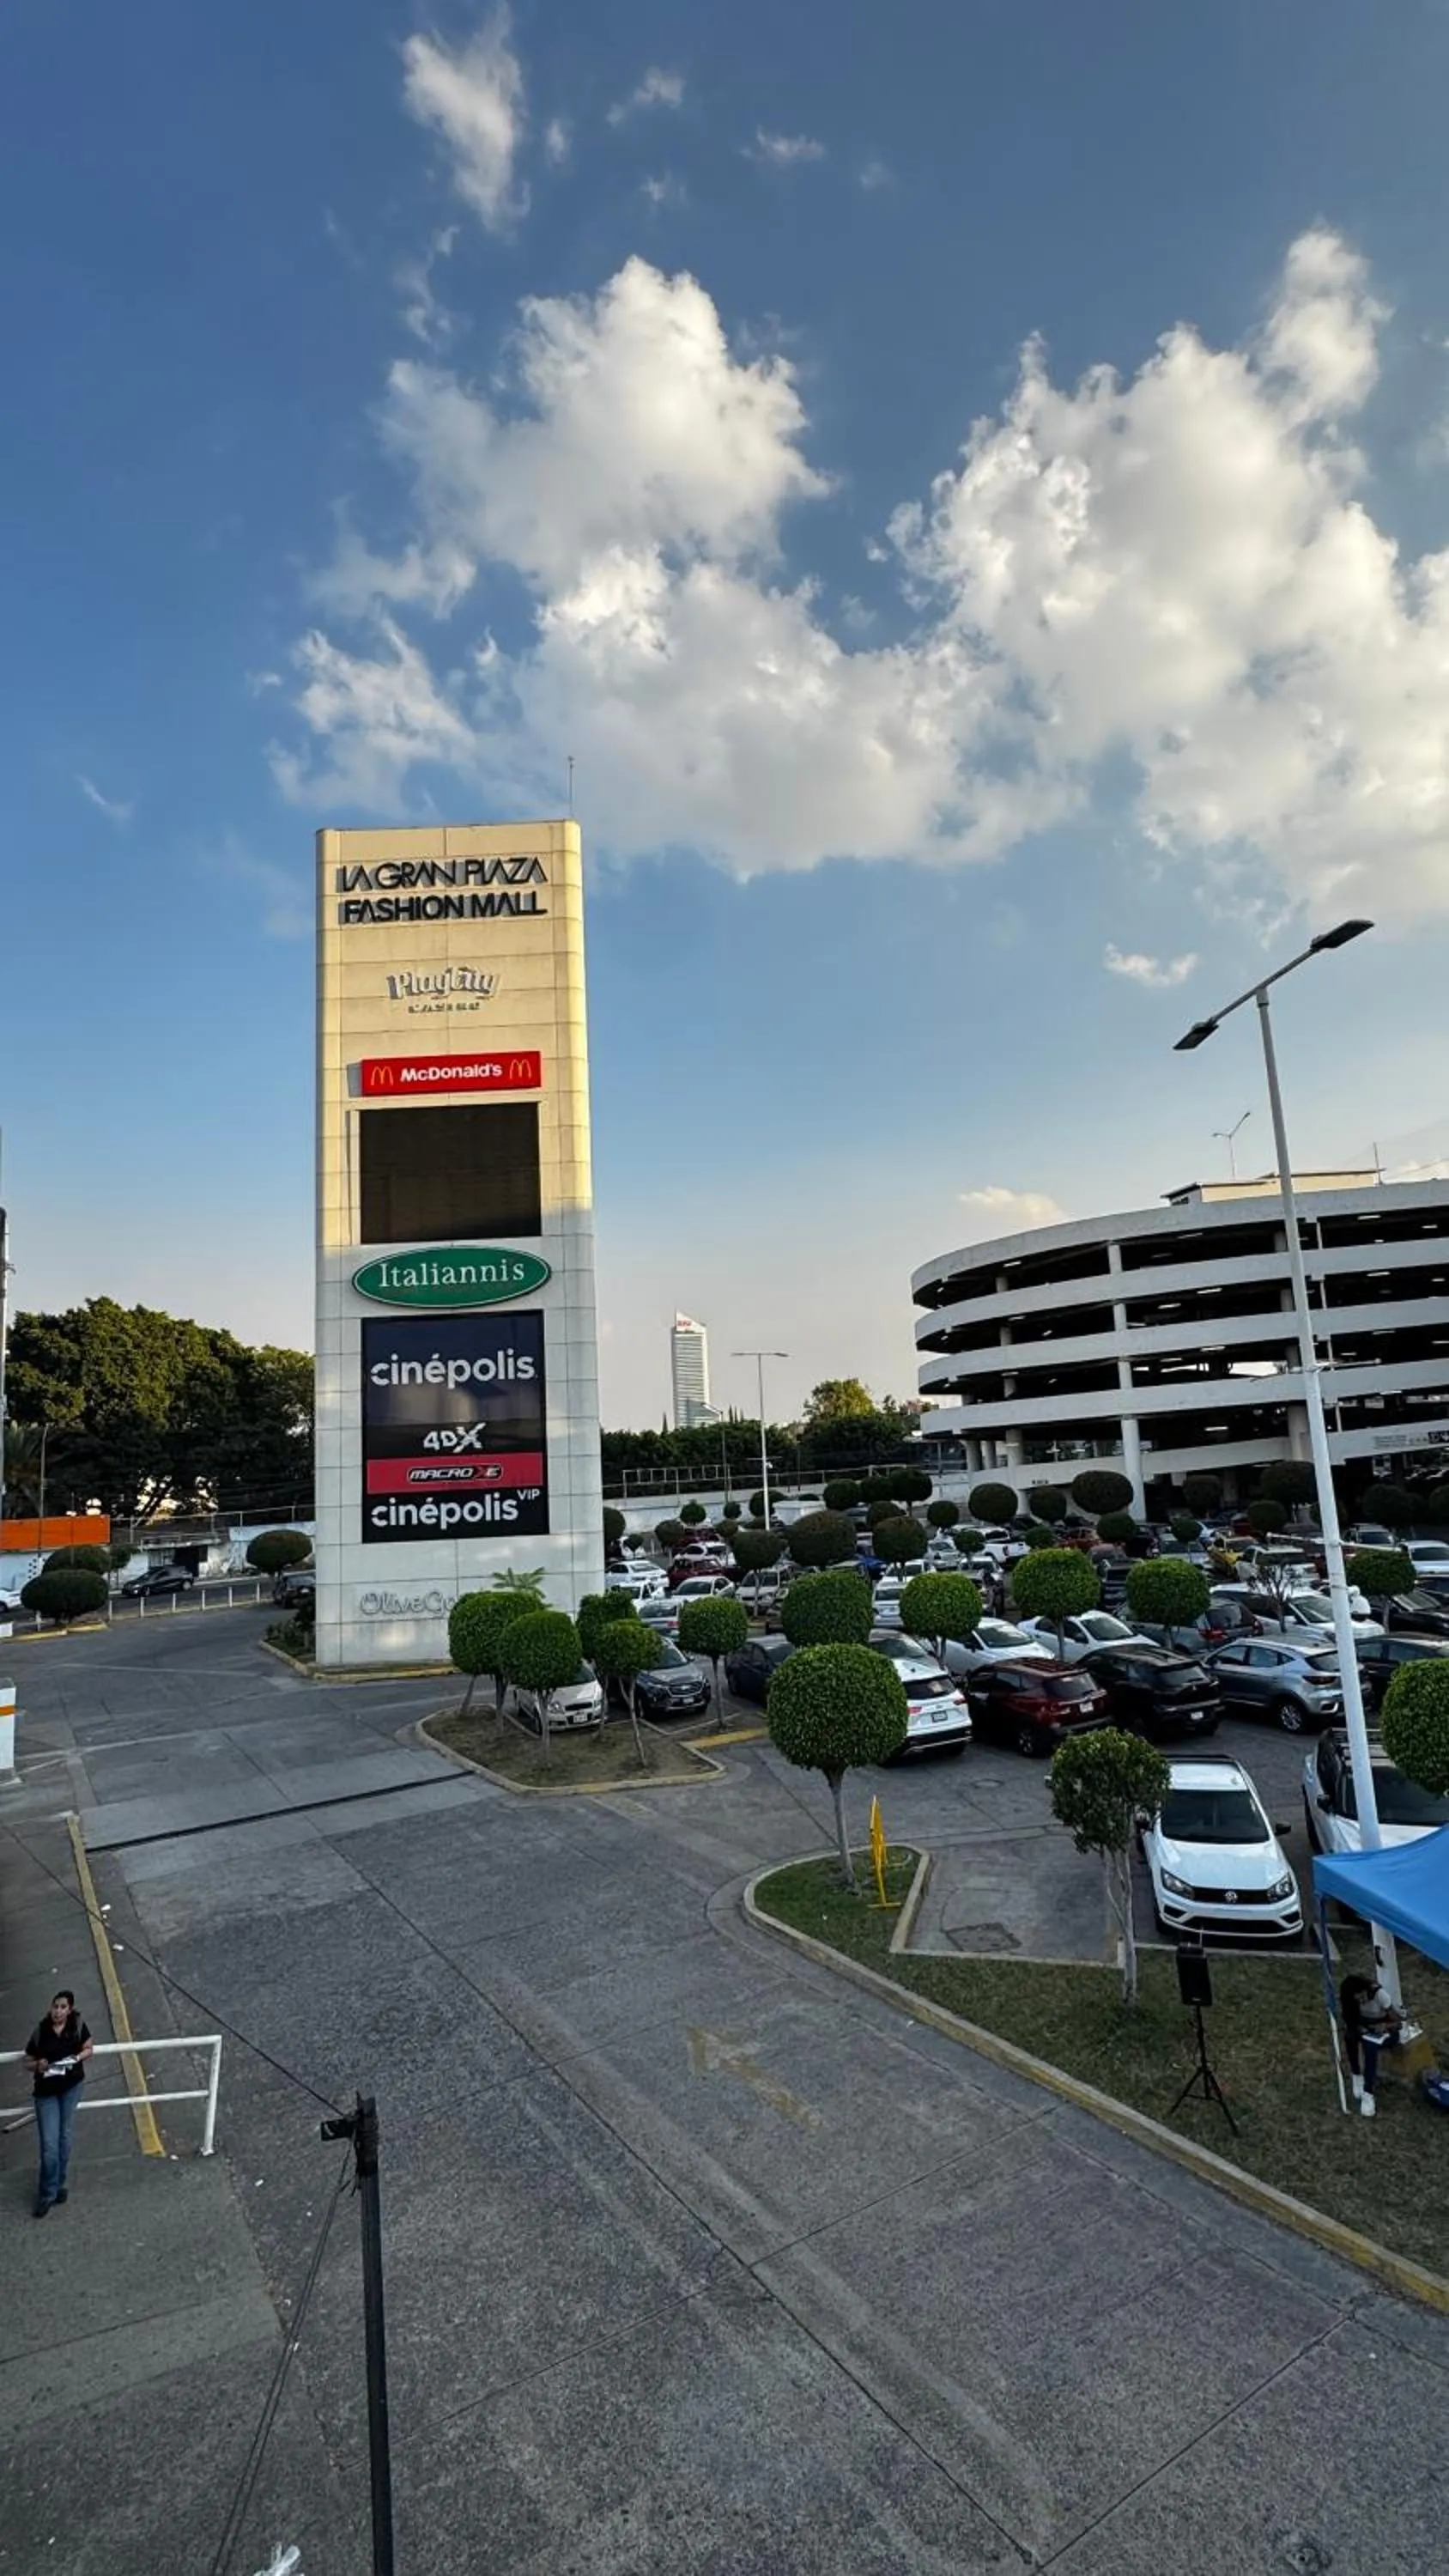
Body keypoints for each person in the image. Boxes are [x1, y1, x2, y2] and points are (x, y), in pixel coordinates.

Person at [23, 1990, 93, 2215]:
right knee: (49, 2145)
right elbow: (27, 2060)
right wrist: (39, 2066)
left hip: (71, 2087)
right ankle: (47, 2194)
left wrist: (76, 2059)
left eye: (63, 2007)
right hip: (46, 2092)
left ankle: (58, 2185)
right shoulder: (41, 2031)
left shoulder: (77, 2026)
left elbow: (89, 2048)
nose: (58, 2011)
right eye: (56, 2006)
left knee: (64, 2137)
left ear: (70, 2009)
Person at [1340, 1969, 1402, 2119]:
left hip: (1385, 2032)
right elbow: (1351, 2022)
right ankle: (1357, 2075)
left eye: (1362, 1997)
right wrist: (1361, 2030)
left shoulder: (1380, 1995)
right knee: (1350, 2037)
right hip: (1366, 2030)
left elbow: (1398, 2022)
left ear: (1365, 1990)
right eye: (1357, 2000)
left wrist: (1385, 2026)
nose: (1361, 2002)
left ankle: (1368, 2093)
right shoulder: (1351, 2002)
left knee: (1370, 2047)